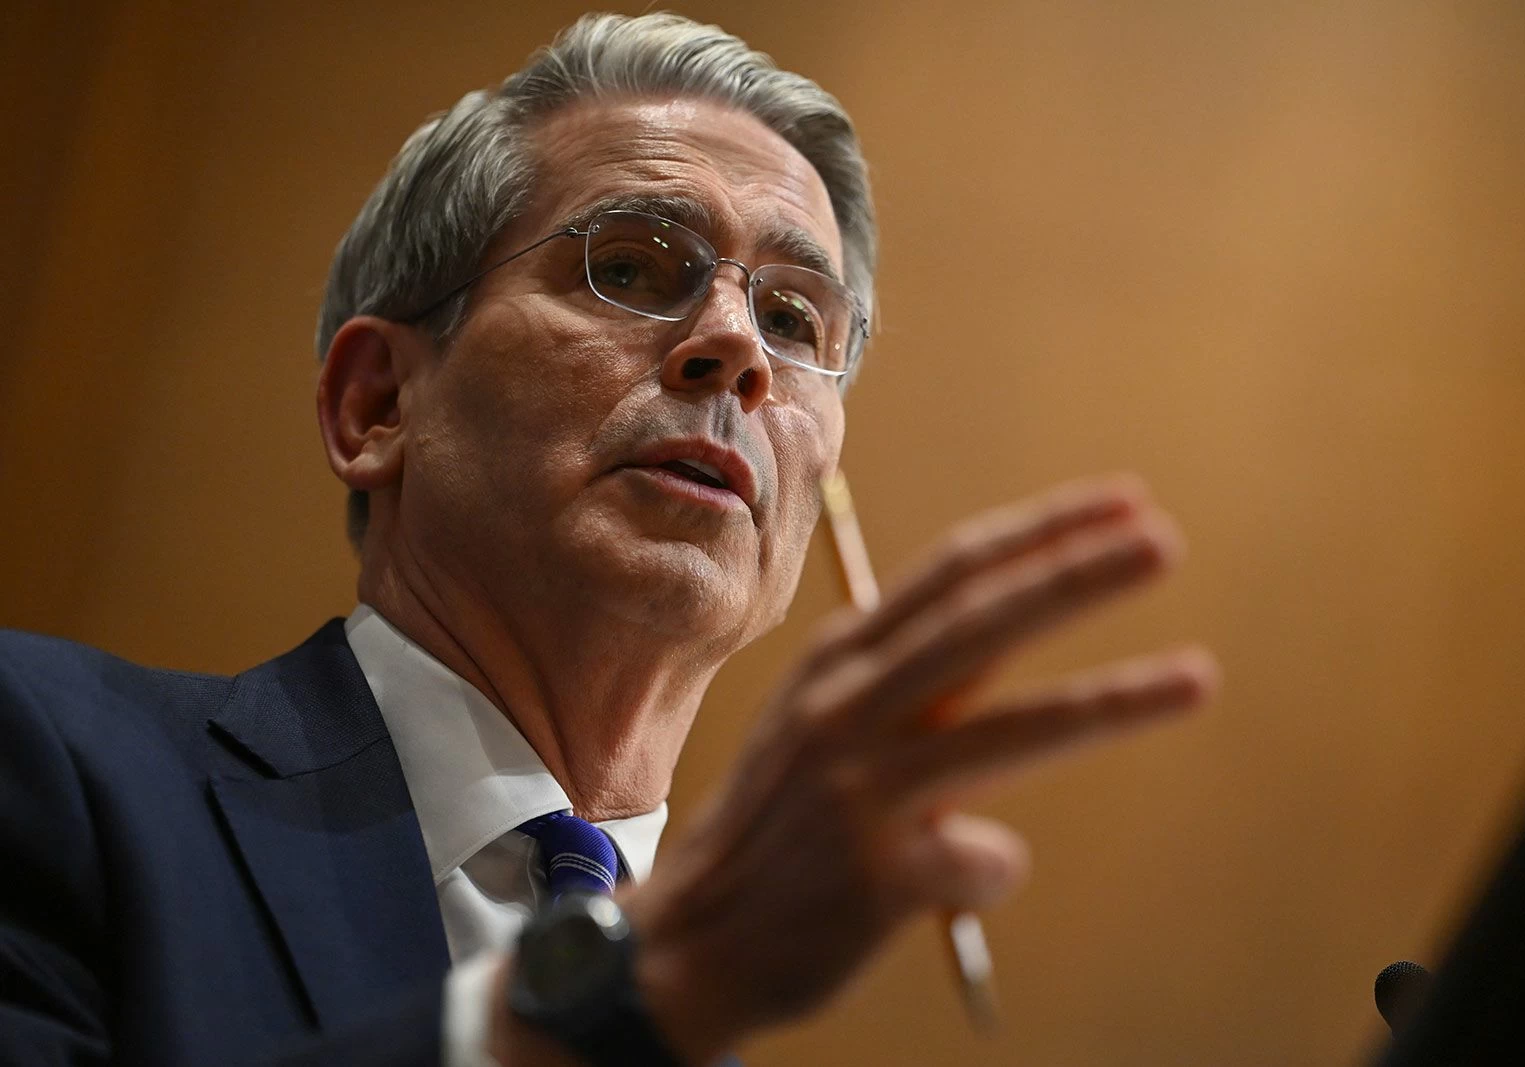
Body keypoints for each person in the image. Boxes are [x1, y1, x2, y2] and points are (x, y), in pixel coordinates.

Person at [0, 13, 1218, 1067]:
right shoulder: (48, 764)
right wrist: (635, 993)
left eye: (794, 316)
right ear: (378, 403)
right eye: (631, 266)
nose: (736, 345)